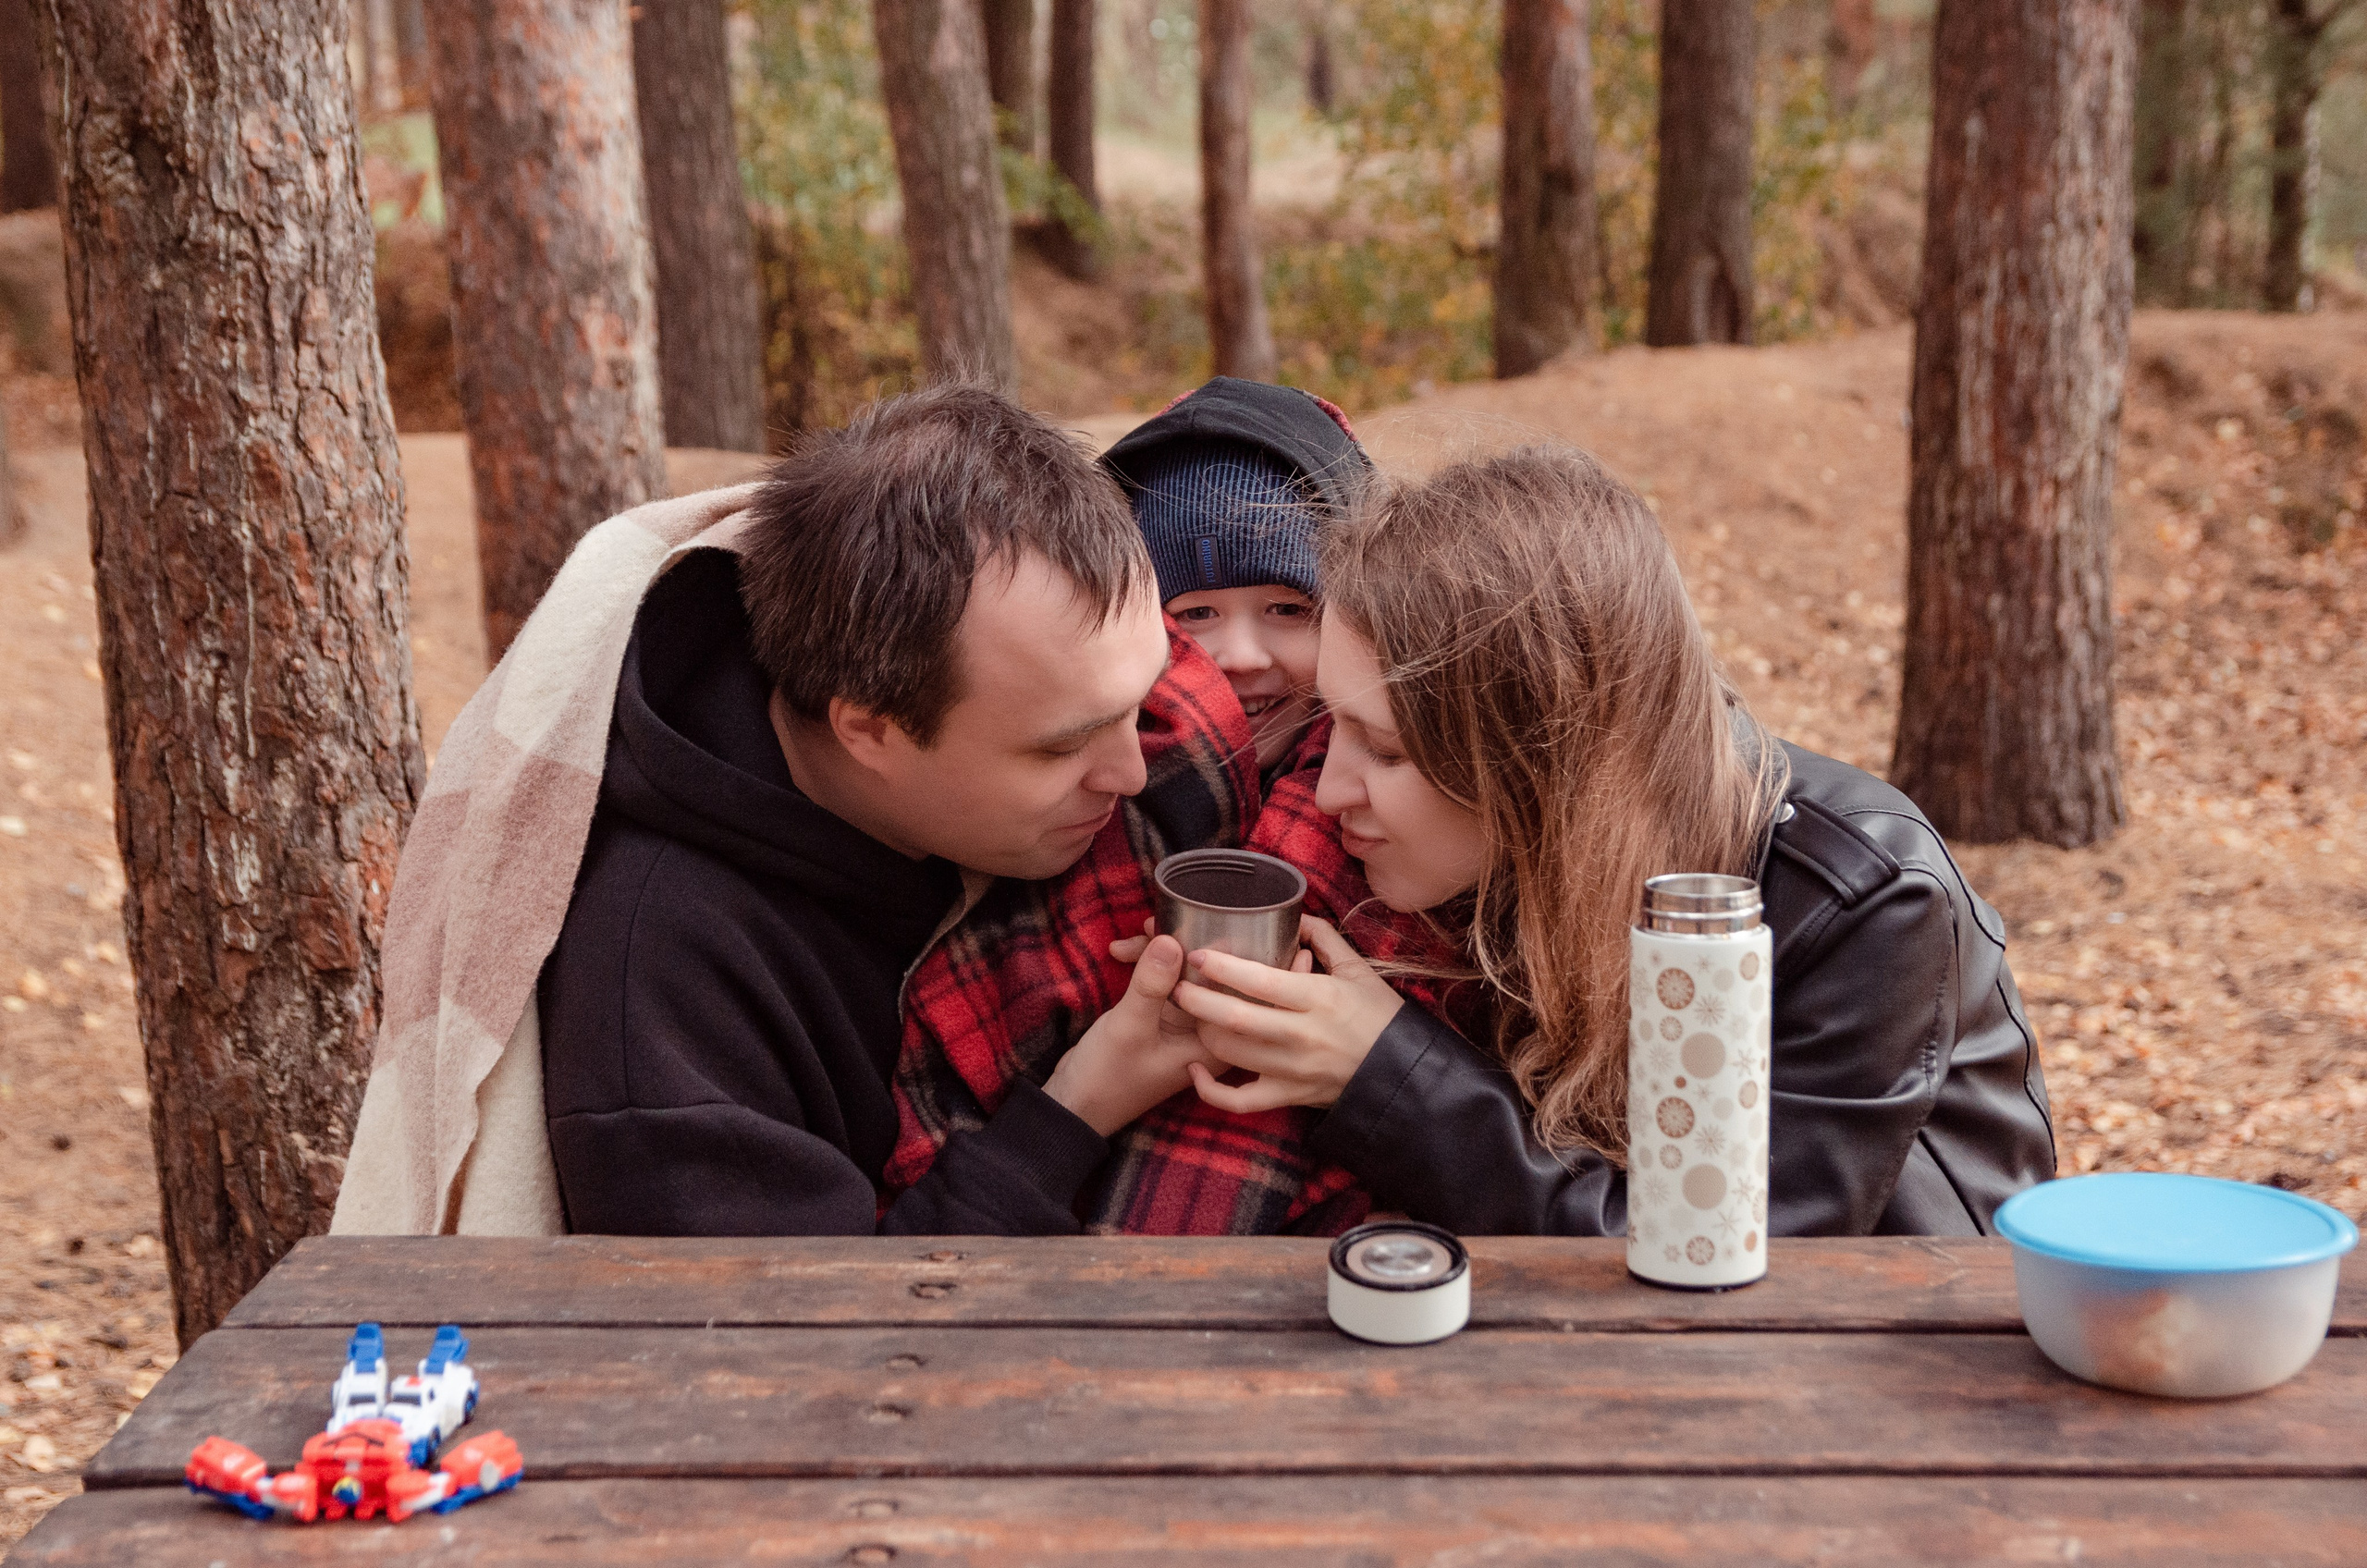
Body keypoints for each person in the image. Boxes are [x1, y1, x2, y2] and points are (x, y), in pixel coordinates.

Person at [1169, 445, 2056, 1236]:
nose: (1329, 792)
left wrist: (1386, 1074)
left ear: (1543, 756)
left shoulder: (1859, 901)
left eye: (1389, 750)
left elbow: (1729, 1252)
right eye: (1335, 729)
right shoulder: (1477, 853)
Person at [536, 386, 1221, 1236]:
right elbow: (814, 1347)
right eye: (1060, 748)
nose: (1130, 770)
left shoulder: (1057, 709)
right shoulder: (662, 998)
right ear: (868, 729)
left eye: (1142, 698)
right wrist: (1075, 1112)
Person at [1099, 376, 1373, 775]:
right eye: (1196, 614)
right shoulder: (1096, 791)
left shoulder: (1404, 799)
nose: (1243, 658)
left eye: (1286, 608)